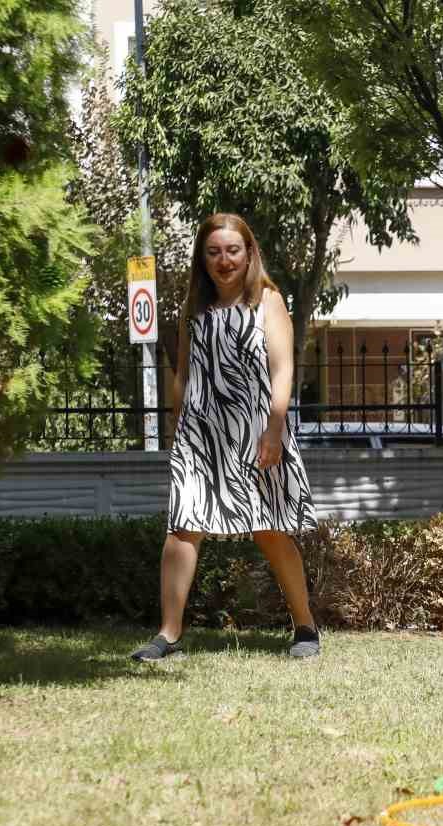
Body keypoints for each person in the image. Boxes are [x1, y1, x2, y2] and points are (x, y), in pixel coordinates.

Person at [130, 213, 321, 662]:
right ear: (203, 257)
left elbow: (283, 370)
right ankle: (168, 635)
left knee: (269, 529)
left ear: (249, 253)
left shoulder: (269, 301)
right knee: (183, 528)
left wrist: (274, 428)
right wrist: (178, 426)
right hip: (201, 432)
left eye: (232, 250)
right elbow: (184, 373)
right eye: (213, 251)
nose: (223, 260)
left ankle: (306, 626)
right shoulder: (194, 308)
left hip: (256, 432)